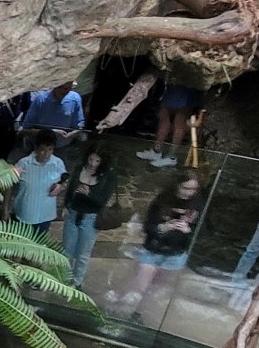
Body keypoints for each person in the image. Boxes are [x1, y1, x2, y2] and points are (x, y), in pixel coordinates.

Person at [108, 170, 204, 318]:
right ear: (177, 185)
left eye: (193, 189)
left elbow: (199, 233)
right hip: (153, 250)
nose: (189, 193)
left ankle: (137, 315)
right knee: (140, 284)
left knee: (154, 289)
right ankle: (117, 308)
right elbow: (148, 226)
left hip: (175, 254)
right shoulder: (162, 201)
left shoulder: (197, 205)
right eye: (185, 188)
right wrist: (164, 227)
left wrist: (187, 231)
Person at [58, 147, 118, 285]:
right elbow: (71, 188)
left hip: (90, 218)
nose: (92, 163)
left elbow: (102, 201)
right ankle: (64, 279)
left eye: (97, 160)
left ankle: (77, 281)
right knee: (67, 250)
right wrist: (66, 205)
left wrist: (89, 194)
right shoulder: (80, 168)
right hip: (73, 214)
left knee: (83, 254)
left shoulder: (109, 176)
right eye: (91, 159)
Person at [137, 80, 204, 168]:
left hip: (186, 88)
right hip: (173, 86)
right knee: (163, 120)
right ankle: (156, 151)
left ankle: (171, 157)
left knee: (179, 124)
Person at [9, 131, 67, 232]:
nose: (46, 154)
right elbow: (8, 184)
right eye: (42, 150)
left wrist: (61, 186)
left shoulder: (58, 163)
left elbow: (64, 181)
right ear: (36, 148)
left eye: (50, 150)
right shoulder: (23, 163)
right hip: (24, 214)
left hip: (45, 216)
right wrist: (6, 209)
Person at [17, 81, 86, 151]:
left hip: (62, 147)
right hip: (38, 147)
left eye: (70, 88)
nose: (67, 91)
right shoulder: (40, 100)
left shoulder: (75, 99)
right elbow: (25, 130)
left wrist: (70, 135)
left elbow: (79, 127)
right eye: (64, 88)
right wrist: (50, 132)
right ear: (55, 86)